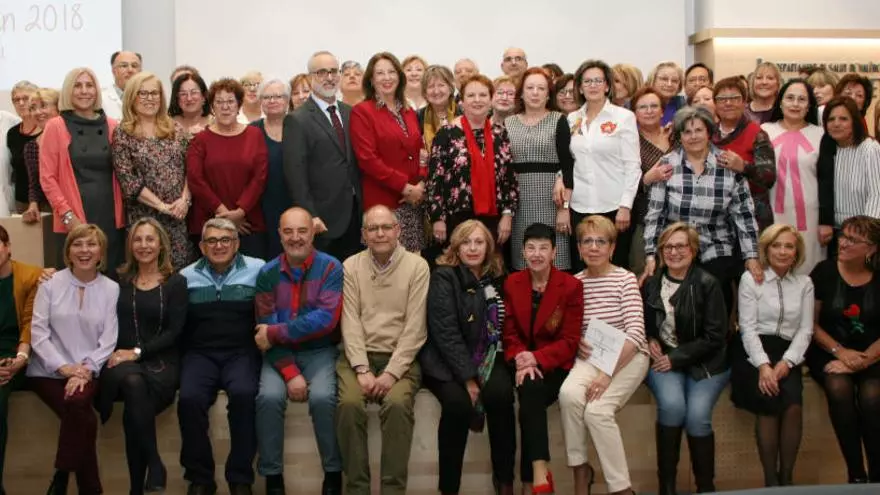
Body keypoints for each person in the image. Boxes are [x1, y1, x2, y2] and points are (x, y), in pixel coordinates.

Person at [337, 205, 429, 495]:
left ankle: (393, 490)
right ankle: (357, 489)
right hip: (358, 357)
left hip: (399, 358)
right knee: (348, 405)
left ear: (398, 231)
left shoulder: (417, 267)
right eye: (373, 228)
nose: (380, 233)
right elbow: (350, 321)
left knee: (398, 404)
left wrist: (391, 373)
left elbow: (415, 328)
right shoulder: (350, 266)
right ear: (363, 234)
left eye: (386, 227)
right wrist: (361, 368)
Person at [420, 219, 516, 495]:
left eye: (479, 242)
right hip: (445, 362)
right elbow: (446, 333)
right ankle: (449, 488)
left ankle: (504, 481)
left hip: (489, 357)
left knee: (501, 395)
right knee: (458, 404)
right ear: (456, 247)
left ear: (488, 247)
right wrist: (469, 379)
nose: (473, 248)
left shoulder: (497, 277)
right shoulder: (444, 277)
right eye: (466, 242)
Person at [254, 208, 343, 495]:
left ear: (312, 233)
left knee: (323, 398)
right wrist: (291, 373)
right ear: (279, 235)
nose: (295, 237)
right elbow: (264, 329)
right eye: (288, 231)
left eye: (302, 231)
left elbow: (326, 320)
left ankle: (333, 474)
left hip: (320, 351)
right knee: (268, 398)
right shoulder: (267, 273)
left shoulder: (331, 268)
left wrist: (275, 332)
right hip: (278, 354)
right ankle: (273, 478)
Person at [559, 215, 649, 495]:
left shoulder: (625, 279)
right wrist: (575, 341)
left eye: (601, 241)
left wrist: (607, 373)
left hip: (628, 356)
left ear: (612, 248)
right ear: (579, 248)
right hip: (590, 356)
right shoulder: (574, 283)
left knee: (597, 412)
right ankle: (580, 470)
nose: (594, 247)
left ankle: (622, 489)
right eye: (587, 241)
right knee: (569, 395)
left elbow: (636, 333)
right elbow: (569, 328)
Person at [642, 106, 762, 314]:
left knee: (716, 299)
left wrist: (751, 255)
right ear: (679, 136)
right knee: (677, 306)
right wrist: (651, 255)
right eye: (687, 132)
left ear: (709, 132)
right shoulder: (667, 164)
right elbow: (655, 215)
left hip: (716, 245)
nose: (693, 136)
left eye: (698, 130)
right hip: (676, 247)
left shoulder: (728, 163)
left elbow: (744, 215)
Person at [97, 218, 187, 495]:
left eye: (150, 239)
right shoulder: (118, 280)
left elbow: (175, 332)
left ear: (161, 244)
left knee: (134, 407)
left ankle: (136, 489)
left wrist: (138, 352)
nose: (144, 245)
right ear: (130, 245)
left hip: (160, 362)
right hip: (121, 361)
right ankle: (154, 462)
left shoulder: (176, 282)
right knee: (132, 382)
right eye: (138, 239)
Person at [28, 224, 119, 495]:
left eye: (91, 244)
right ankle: (89, 488)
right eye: (77, 244)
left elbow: (109, 339)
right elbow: (38, 333)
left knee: (78, 403)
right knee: (84, 417)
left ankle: (62, 473)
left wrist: (85, 370)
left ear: (101, 252)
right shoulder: (49, 284)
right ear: (68, 251)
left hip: (88, 371)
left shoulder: (111, 288)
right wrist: (64, 367)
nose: (84, 250)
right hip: (47, 372)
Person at [178, 218, 265, 495]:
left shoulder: (258, 269)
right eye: (212, 241)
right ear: (202, 246)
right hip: (200, 354)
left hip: (241, 352)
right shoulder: (185, 276)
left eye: (225, 240)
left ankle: (240, 478)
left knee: (244, 394)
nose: (219, 246)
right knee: (189, 399)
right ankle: (200, 478)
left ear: (236, 244)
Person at [643, 222, 729, 494]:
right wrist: (650, 338)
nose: (674, 252)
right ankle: (666, 487)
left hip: (707, 363)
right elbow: (642, 322)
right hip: (663, 360)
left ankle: (705, 487)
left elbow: (716, 337)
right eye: (667, 247)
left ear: (693, 250)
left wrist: (677, 358)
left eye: (680, 246)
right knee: (672, 406)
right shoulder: (651, 283)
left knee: (697, 416)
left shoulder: (708, 283)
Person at [502, 223, 582, 494]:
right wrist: (521, 359)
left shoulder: (570, 286)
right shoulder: (513, 283)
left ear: (554, 252)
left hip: (555, 364)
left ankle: (534, 479)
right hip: (521, 363)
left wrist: (536, 358)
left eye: (543, 248)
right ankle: (539, 474)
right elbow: (509, 333)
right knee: (530, 388)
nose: (537, 254)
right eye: (531, 248)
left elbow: (570, 341)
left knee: (530, 393)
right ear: (523, 252)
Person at [732, 224, 814, 487]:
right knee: (768, 398)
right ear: (766, 250)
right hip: (753, 350)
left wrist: (788, 361)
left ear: (796, 252)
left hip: (789, 352)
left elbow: (805, 329)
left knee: (793, 406)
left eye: (789, 246)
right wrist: (763, 365)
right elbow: (747, 328)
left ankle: (786, 479)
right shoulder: (751, 279)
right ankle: (770, 482)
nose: (782, 251)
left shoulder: (804, 283)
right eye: (776, 245)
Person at [806, 215, 880, 484]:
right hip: (828, 349)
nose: (844, 243)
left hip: (873, 353)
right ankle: (856, 474)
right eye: (843, 236)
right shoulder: (823, 271)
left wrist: (866, 359)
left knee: (873, 397)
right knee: (839, 388)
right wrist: (841, 353)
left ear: (871, 248)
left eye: (853, 240)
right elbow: (811, 324)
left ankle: (877, 476)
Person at [39, 67, 126, 273]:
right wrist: (68, 217)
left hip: (110, 216)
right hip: (73, 217)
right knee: (75, 279)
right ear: (68, 90)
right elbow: (47, 178)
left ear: (97, 90)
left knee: (111, 277)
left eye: (89, 85)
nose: (84, 91)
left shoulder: (113, 126)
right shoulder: (55, 126)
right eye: (78, 86)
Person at [284, 51, 363, 264]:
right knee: (325, 278)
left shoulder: (350, 112)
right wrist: (310, 214)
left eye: (333, 71)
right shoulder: (297, 120)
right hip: (323, 220)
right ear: (311, 77)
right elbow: (295, 175)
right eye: (321, 72)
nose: (329, 77)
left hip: (355, 215)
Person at [113, 71, 194, 270]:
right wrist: (162, 206)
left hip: (178, 216)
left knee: (178, 272)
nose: (150, 98)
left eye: (154, 93)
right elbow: (129, 181)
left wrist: (184, 200)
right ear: (132, 97)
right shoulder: (123, 133)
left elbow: (191, 169)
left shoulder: (175, 128)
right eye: (143, 93)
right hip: (145, 220)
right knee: (148, 273)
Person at [427, 74, 518, 247]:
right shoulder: (446, 134)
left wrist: (508, 215)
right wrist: (438, 218)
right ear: (461, 101)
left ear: (491, 100)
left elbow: (509, 179)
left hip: (494, 220)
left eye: (483, 95)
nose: (477, 100)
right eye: (471, 95)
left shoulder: (500, 134)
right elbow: (434, 180)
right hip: (455, 219)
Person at [567, 59, 641, 272]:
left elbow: (633, 166)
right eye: (587, 81)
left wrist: (625, 206)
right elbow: (568, 161)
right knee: (582, 269)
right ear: (580, 87)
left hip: (614, 207)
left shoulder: (624, 117)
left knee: (614, 269)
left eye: (598, 80)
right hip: (580, 206)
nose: (593, 85)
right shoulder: (572, 119)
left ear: (607, 86)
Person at [350, 52, 425, 253]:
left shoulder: (408, 111)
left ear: (399, 76)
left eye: (391, 72)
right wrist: (404, 187)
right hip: (383, 204)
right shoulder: (362, 111)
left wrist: (421, 184)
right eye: (380, 73)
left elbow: (421, 151)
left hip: (413, 202)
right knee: (384, 263)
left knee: (412, 264)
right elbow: (367, 159)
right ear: (371, 80)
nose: (387, 77)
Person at [187, 78, 269, 260]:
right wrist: (225, 216)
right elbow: (195, 179)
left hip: (247, 223)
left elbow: (260, 177)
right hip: (210, 225)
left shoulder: (254, 135)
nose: (225, 107)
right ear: (212, 107)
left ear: (239, 105)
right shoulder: (200, 140)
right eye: (219, 102)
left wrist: (240, 212)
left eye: (230, 101)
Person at [505, 67, 573, 271]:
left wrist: (564, 209)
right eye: (530, 88)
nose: (535, 93)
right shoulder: (508, 123)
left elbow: (568, 165)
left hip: (553, 200)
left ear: (548, 94)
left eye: (541, 88)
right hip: (520, 201)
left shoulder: (559, 120)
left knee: (556, 260)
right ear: (521, 93)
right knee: (523, 261)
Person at [762, 78, 825, 275]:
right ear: (780, 102)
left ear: (809, 105)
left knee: (808, 264)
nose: (795, 104)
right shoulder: (765, 131)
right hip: (773, 210)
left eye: (801, 99)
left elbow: (827, 179)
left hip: (811, 213)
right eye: (790, 98)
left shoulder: (821, 135)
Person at [0, 225, 42, 495]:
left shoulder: (28, 276)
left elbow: (30, 323)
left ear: (8, 247)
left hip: (15, 355)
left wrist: (20, 358)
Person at [712, 76, 777, 232]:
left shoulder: (757, 133)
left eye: (735, 98)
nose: (728, 103)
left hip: (752, 213)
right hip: (716, 213)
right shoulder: (708, 133)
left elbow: (768, 177)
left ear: (744, 102)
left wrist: (743, 166)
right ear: (715, 104)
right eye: (722, 99)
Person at [817, 97, 880, 254]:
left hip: (863, 235)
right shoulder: (827, 150)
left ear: (855, 122)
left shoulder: (870, 149)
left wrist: (864, 233)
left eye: (843, 119)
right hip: (834, 233)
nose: (836, 124)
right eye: (831, 119)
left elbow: (876, 194)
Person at [630, 87, 676, 277]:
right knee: (643, 271)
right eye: (643, 107)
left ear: (663, 111)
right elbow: (621, 182)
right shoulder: (630, 141)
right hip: (644, 215)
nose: (649, 111)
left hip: (678, 213)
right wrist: (647, 179)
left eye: (654, 106)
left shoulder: (676, 136)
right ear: (634, 113)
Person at [252, 77, 291, 259]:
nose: (272, 101)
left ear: (287, 100)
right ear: (260, 101)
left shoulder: (300, 127)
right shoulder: (251, 131)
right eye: (267, 97)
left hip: (295, 204)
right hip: (262, 207)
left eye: (278, 96)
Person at [22, 88, 60, 223]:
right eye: (33, 108)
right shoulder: (31, 146)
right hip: (50, 210)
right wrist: (33, 205)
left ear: (58, 108)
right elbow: (34, 184)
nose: (37, 112)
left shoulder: (72, 138)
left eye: (43, 106)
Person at [6, 80, 40, 214]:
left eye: (25, 98)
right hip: (21, 202)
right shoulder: (12, 133)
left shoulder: (47, 129)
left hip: (47, 201)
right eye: (16, 100)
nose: (20, 103)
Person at [417, 65, 459, 152]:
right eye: (431, 86)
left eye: (441, 85)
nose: (436, 91)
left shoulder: (464, 114)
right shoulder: (417, 117)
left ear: (450, 88)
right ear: (425, 92)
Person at [102, 51, 143, 119]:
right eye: (124, 66)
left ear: (140, 71)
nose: (130, 70)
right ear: (113, 70)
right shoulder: (101, 99)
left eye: (134, 66)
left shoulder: (148, 98)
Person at [169, 72, 211, 138]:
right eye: (183, 94)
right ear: (176, 98)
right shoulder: (167, 125)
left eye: (194, 92)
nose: (189, 98)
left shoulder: (217, 124)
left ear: (204, 96)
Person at [649, 62, 686, 126]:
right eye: (664, 79)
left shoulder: (683, 106)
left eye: (674, 81)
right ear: (653, 80)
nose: (669, 84)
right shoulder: (638, 104)